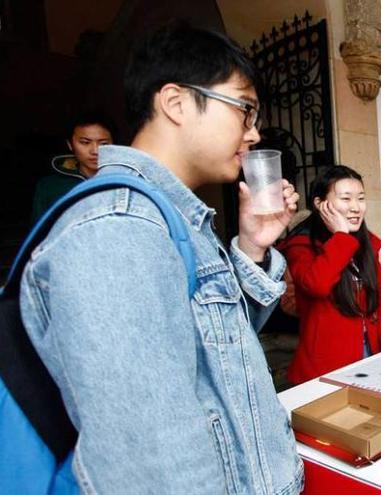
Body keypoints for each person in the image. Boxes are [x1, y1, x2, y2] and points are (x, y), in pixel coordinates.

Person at [19, 23, 304, 493]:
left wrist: (253, 245)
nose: (254, 133)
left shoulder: (170, 217)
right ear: (175, 103)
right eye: (245, 109)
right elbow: (152, 463)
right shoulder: (117, 230)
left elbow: (219, 351)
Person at [279, 165, 381, 384]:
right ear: (320, 204)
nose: (356, 207)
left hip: (370, 353)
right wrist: (341, 237)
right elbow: (317, 284)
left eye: (360, 199)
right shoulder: (301, 246)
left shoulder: (368, 243)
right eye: (346, 199)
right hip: (325, 367)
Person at [31, 110, 114, 222]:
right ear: (70, 144)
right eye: (85, 142)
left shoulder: (125, 180)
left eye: (103, 144)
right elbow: (40, 233)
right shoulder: (50, 187)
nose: (95, 151)